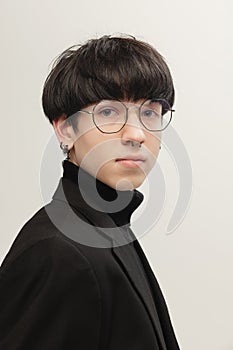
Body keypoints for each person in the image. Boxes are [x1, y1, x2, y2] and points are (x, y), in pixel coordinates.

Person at [0, 35, 180, 349]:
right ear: (65, 128)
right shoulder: (57, 253)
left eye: (150, 113)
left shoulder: (106, 228)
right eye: (109, 113)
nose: (137, 134)